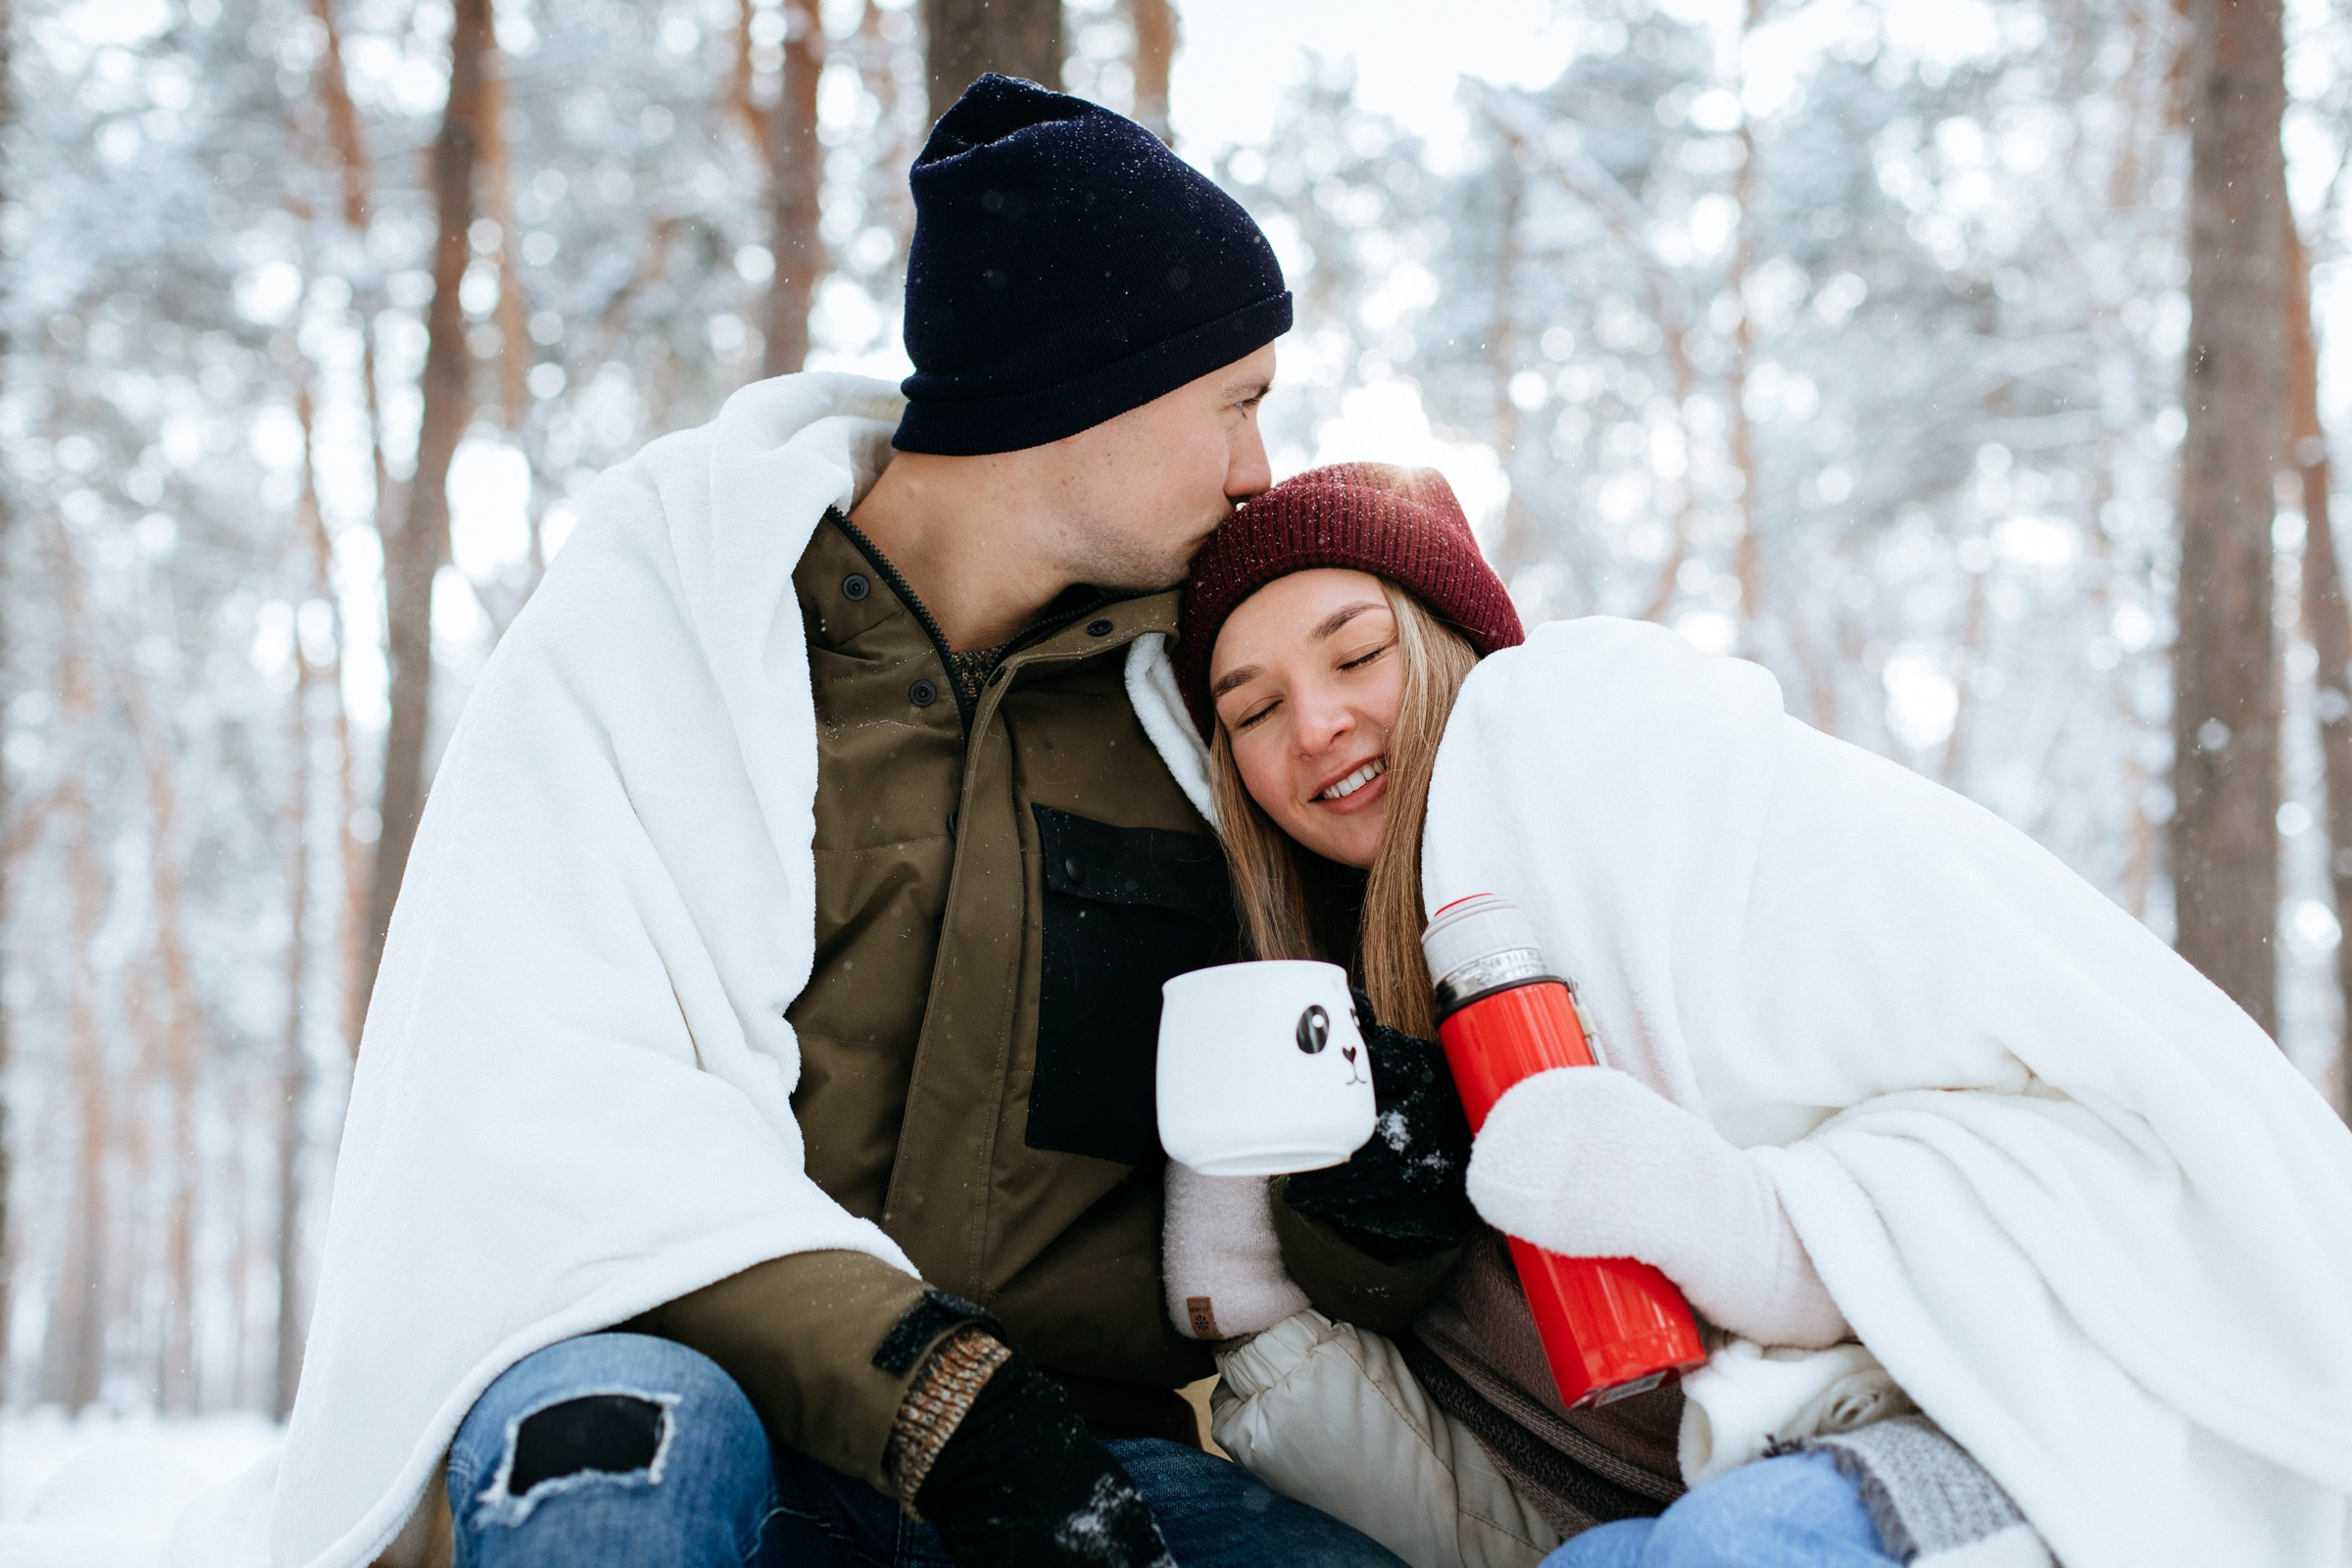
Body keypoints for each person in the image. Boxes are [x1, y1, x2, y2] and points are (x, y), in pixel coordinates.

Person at [247, 81, 1428, 1568]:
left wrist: (1383, 1200)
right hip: (702, 1401)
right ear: (1098, 388)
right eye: (1237, 403)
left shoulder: (1193, 713)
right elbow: (549, 1117)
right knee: (619, 1459)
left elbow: (1259, 1197)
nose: (1259, 466)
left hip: (1068, 1462)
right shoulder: (673, 626)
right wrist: (930, 1398)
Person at [1142, 463, 2352, 1568]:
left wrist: (1751, 1228)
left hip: (1991, 1409)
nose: (1316, 727)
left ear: (1456, 645)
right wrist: (1253, 1314)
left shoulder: (1643, 797)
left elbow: (2056, 1123)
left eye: (1358, 656)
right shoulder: (1349, 1048)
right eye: (1252, 710)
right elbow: (1512, 1501)